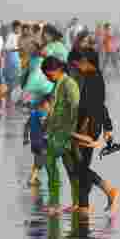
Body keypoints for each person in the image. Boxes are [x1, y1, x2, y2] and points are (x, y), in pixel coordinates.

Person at [69, 50, 120, 214]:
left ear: (87, 61)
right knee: (81, 165)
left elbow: (93, 106)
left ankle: (108, 189)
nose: (79, 66)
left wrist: (85, 127)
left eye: (81, 63)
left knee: (80, 166)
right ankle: (84, 204)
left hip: (88, 126)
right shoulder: (94, 77)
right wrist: (108, 127)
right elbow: (101, 105)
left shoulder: (93, 79)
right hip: (91, 125)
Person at [40, 56, 79, 213]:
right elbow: (55, 108)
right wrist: (46, 124)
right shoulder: (58, 84)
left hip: (66, 133)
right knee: (69, 168)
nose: (47, 77)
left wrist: (74, 134)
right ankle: (76, 202)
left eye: (48, 74)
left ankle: (57, 203)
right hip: (56, 132)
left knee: (52, 162)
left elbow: (76, 108)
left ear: (57, 70)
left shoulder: (69, 84)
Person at [27, 95, 51, 186]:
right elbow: (44, 125)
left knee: (36, 160)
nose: (50, 107)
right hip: (40, 141)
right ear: (44, 104)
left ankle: (34, 177)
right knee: (40, 162)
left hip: (34, 141)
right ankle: (32, 180)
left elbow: (28, 125)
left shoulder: (33, 113)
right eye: (49, 105)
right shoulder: (41, 114)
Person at [2, 21, 23, 105]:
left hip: (18, 58)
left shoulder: (20, 36)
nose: (18, 29)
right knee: (11, 78)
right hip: (11, 58)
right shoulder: (10, 36)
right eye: (17, 28)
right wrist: (16, 49)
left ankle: (11, 96)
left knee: (17, 78)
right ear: (14, 28)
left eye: (19, 28)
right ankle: (9, 96)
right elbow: (6, 47)